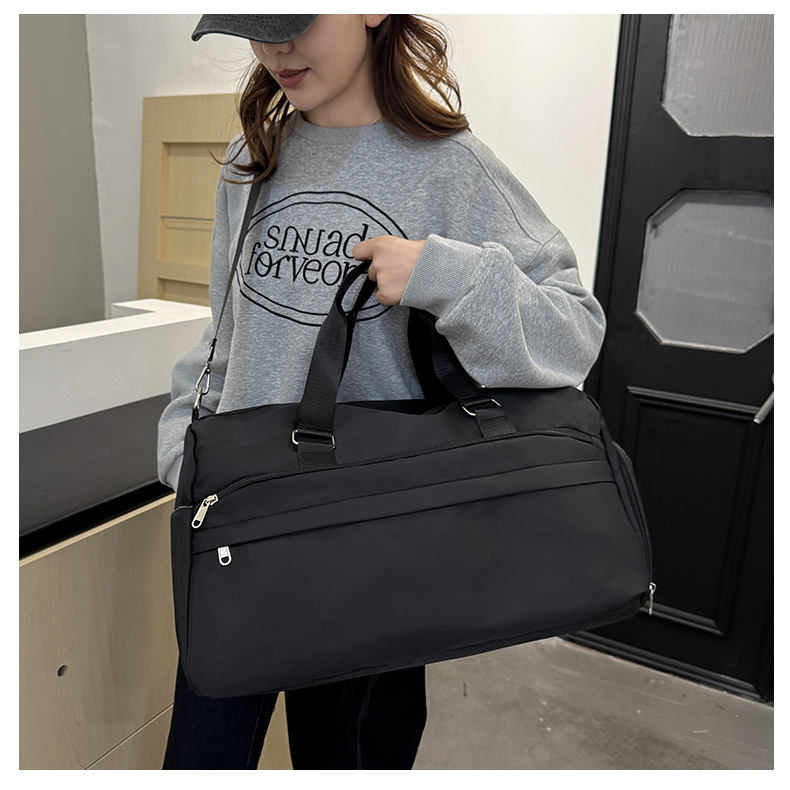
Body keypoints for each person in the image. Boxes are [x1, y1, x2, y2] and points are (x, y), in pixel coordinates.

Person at [157, 13, 606, 770]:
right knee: (200, 760)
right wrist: (184, 439)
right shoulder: (253, 155)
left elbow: (575, 334)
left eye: (293, 18)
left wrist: (444, 274)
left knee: (347, 759)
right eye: (253, 25)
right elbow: (228, 331)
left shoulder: (453, 168)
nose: (273, 48)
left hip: (372, 540)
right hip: (244, 527)